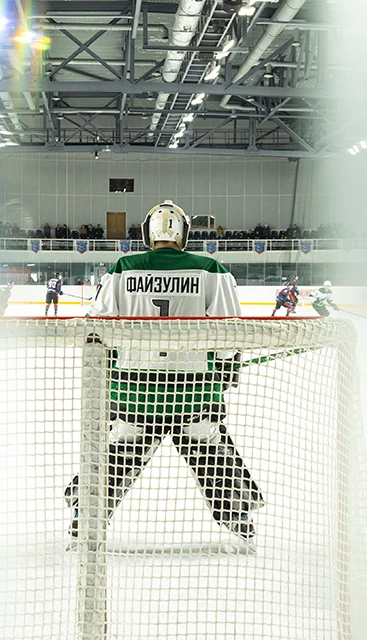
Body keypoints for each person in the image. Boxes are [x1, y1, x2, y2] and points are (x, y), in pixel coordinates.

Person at [64, 200, 262, 542]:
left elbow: (98, 328)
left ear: (147, 233)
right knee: (210, 447)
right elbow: (231, 333)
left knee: (118, 450)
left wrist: (107, 373)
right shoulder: (211, 268)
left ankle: (86, 512)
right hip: (194, 391)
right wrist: (228, 370)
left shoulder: (124, 267)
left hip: (133, 391)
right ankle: (239, 516)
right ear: (183, 233)